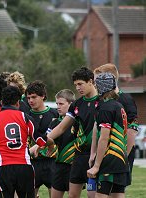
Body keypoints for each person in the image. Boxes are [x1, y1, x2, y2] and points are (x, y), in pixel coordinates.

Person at [0, 86, 55, 198]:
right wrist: (51, 144)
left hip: (2, 167)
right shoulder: (26, 117)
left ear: (2, 101)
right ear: (18, 102)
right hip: (24, 167)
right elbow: (41, 140)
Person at [47, 67, 98, 198]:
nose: (78, 88)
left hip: (96, 156)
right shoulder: (77, 104)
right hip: (79, 155)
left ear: (90, 81)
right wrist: (40, 143)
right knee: (72, 195)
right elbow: (61, 128)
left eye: (80, 84)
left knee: (93, 195)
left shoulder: (102, 102)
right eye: (76, 85)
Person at [93, 63, 138, 186]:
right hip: (105, 153)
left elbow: (132, 131)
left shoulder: (126, 100)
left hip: (118, 154)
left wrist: (123, 157)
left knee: (115, 190)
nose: (95, 85)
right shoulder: (101, 100)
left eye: (97, 80)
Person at [87, 73, 129, 198]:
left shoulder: (106, 108)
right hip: (121, 160)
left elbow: (104, 138)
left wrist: (96, 166)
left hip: (109, 160)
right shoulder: (119, 106)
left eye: (96, 84)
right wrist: (92, 153)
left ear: (101, 87)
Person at [25, 80, 59, 197]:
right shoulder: (26, 115)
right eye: (28, 98)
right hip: (33, 161)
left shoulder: (55, 113)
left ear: (43, 96)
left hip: (52, 160)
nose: (30, 100)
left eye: (34, 97)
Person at [47, 89, 76, 198]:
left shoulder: (77, 122)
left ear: (71, 104)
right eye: (57, 104)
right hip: (58, 165)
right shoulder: (54, 123)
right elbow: (47, 139)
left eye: (61, 104)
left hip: (73, 166)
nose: (58, 106)